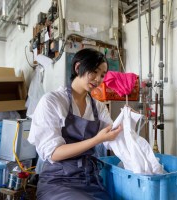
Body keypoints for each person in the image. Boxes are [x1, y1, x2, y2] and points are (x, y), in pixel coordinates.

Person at [28, 48, 122, 200]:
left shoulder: (98, 107)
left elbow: (113, 140)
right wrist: (97, 139)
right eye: (94, 71)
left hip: (90, 180)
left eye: (102, 75)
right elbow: (54, 153)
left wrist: (127, 126)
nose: (98, 79)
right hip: (58, 181)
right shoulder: (52, 101)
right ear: (78, 67)